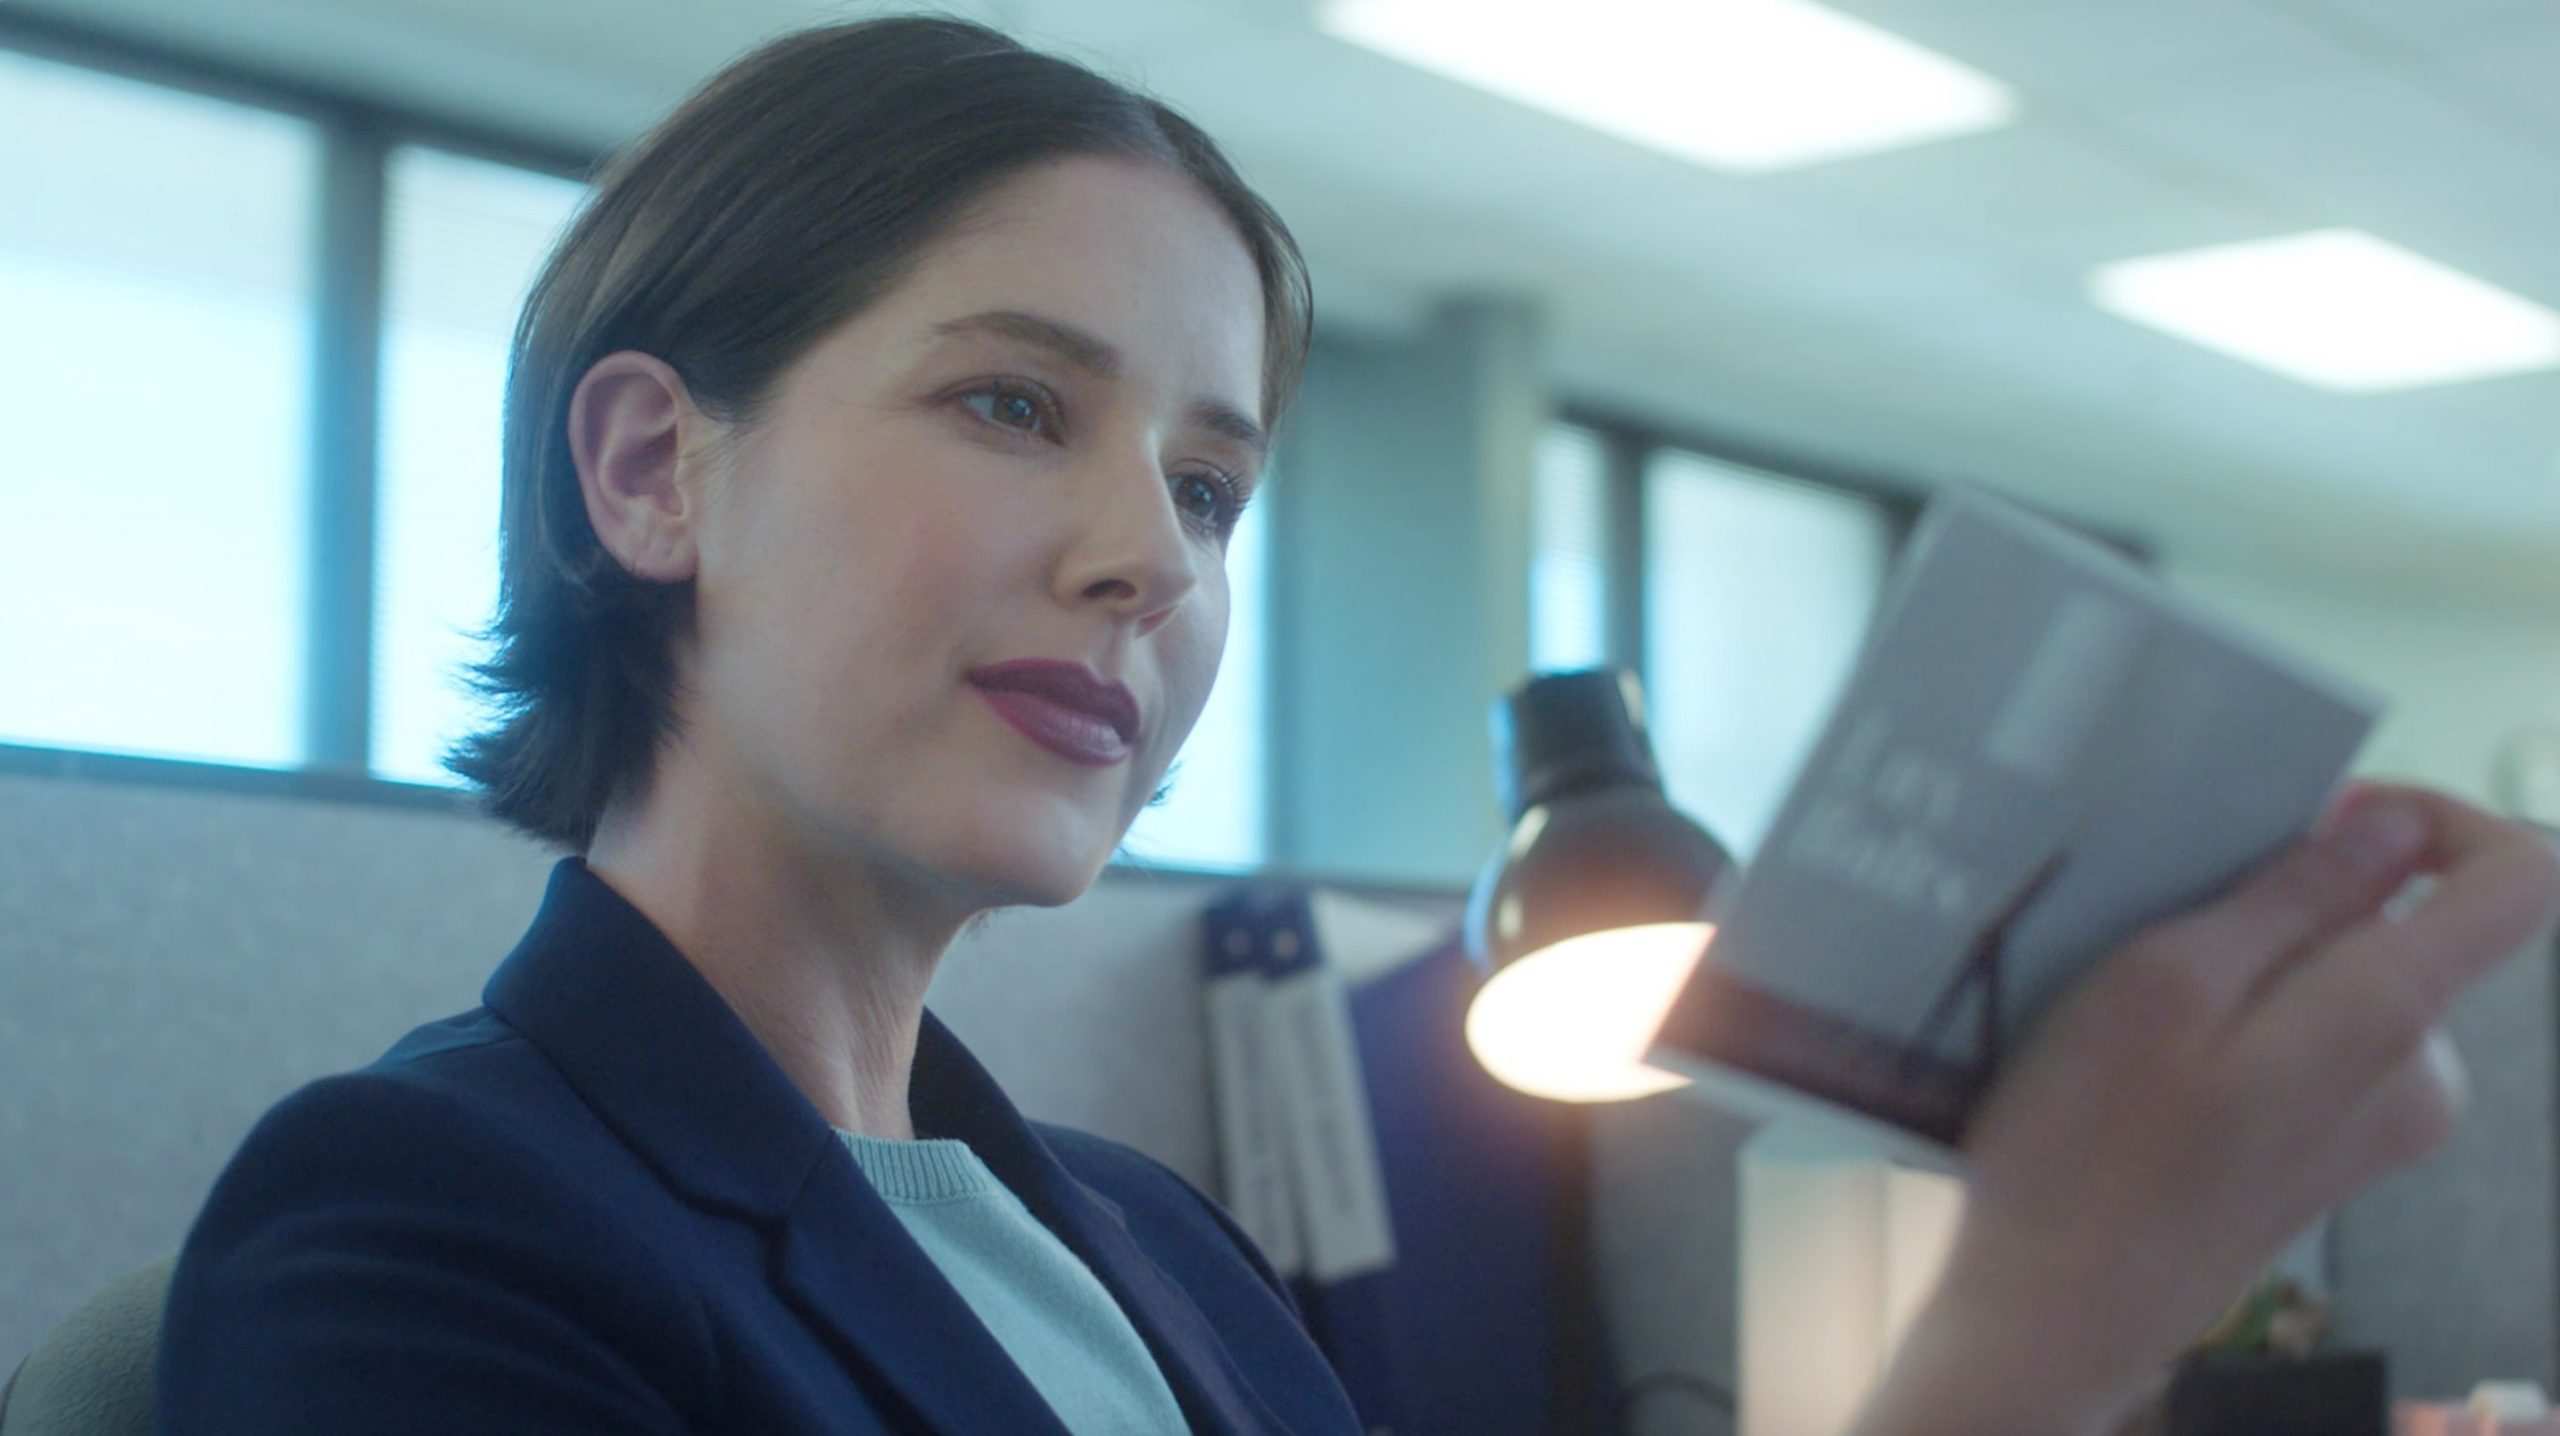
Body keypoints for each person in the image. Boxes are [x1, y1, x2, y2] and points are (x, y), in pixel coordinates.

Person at [155, 16, 2560, 1435]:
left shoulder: (1156, 1248)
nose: (1152, 557)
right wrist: (2025, 1332)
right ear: (655, 470)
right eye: (1012, 402)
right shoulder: (415, 1222)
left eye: (1208, 483)